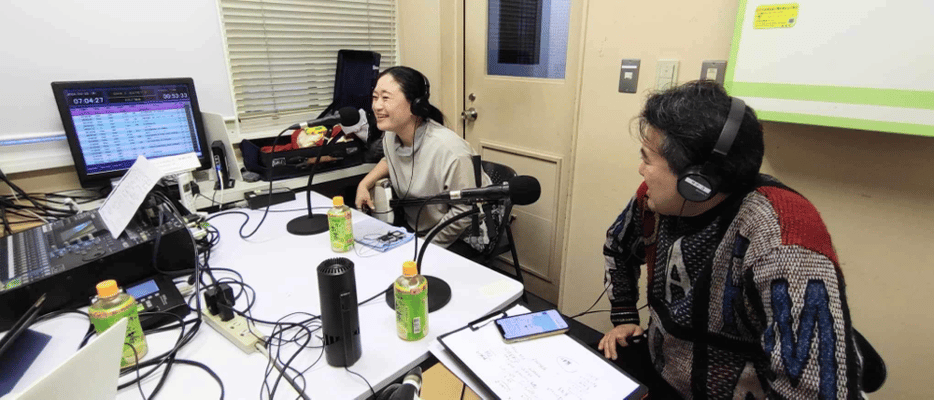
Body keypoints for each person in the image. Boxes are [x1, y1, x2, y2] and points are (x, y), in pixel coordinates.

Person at [598, 81, 863, 398]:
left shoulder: (783, 235)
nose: (641, 170)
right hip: (661, 372)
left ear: (697, 182)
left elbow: (818, 390)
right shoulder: (654, 201)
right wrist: (624, 317)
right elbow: (618, 247)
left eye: (648, 159)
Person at [355, 66, 490, 247]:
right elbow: (391, 159)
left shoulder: (450, 151)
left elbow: (464, 211)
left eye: (385, 98)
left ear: (415, 105)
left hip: (463, 235)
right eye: (375, 97)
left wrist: (424, 246)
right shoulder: (391, 136)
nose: (377, 106)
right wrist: (364, 184)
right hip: (419, 230)